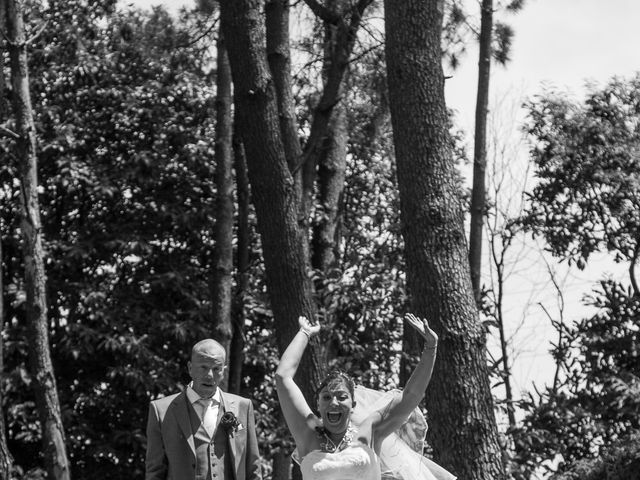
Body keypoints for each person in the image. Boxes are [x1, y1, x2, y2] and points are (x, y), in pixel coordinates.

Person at [275, 314, 455, 480]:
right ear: (318, 404)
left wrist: (431, 348)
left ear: (353, 404)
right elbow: (283, 377)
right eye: (327, 397)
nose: (334, 403)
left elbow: (411, 396)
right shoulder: (307, 432)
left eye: (341, 397)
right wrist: (304, 332)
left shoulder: (370, 430)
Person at [145, 339, 262, 480]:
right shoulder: (161, 410)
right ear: (190, 368)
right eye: (203, 367)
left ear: (224, 371)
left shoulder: (243, 406)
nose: (210, 375)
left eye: (216, 369)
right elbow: (155, 471)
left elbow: (253, 467)